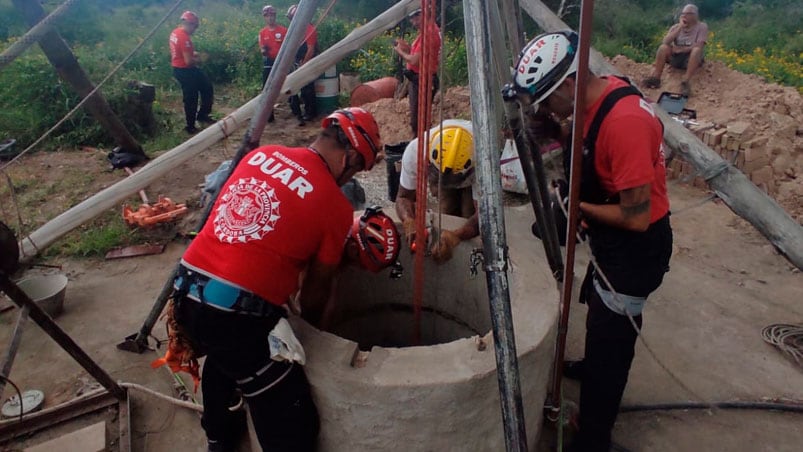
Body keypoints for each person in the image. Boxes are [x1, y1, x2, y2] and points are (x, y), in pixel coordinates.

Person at [168, 107, 382, 451]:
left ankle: (219, 437)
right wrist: (311, 336)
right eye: (358, 168)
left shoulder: (263, 154)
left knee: (224, 361)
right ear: (351, 157)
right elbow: (315, 291)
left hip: (186, 289)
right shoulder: (335, 206)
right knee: (291, 416)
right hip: (234, 317)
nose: (349, 179)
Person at [514, 31, 673, 452]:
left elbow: (636, 217)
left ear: (568, 83)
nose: (548, 109)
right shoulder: (601, 95)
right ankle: (593, 366)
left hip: (635, 251)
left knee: (611, 348)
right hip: (613, 235)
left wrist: (580, 209)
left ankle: (594, 436)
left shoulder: (624, 124)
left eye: (548, 100)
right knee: (599, 308)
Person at [395, 119, 478, 263]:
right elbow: (403, 197)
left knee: (468, 211)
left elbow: (484, 216)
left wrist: (458, 235)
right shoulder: (415, 150)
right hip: (452, 168)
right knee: (447, 209)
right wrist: (408, 220)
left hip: (472, 172)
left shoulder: (485, 161)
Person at [393, 8, 441, 138]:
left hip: (423, 80)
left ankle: (420, 147)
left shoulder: (429, 34)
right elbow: (421, 55)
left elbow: (414, 60)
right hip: (419, 79)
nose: (413, 21)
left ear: (425, 14)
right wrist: (407, 47)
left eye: (416, 16)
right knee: (418, 119)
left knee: (419, 121)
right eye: (412, 18)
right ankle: (419, 145)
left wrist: (400, 52)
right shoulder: (426, 32)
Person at [642, 4, 708, 96]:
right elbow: (665, 41)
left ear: (695, 15)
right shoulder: (676, 27)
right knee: (663, 48)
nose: (684, 16)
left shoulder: (702, 27)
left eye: (688, 13)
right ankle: (656, 78)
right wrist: (680, 27)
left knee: (696, 50)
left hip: (690, 59)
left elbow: (699, 46)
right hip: (675, 57)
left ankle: (685, 81)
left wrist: (682, 50)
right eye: (683, 13)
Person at [169, 10, 214, 134]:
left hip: (179, 68)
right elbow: (189, 61)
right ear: (189, 24)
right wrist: (199, 59)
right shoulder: (185, 39)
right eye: (195, 27)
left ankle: (202, 115)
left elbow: (180, 52)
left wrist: (193, 54)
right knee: (191, 98)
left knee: (207, 87)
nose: (195, 30)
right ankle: (190, 126)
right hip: (185, 70)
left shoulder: (175, 32)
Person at [286, 4, 318, 126]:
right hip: (298, 60)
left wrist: (303, 64)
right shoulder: (296, 30)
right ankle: (301, 110)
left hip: (307, 62)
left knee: (308, 88)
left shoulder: (309, 29)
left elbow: (310, 49)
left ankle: (311, 113)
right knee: (301, 88)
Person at [258, 5, 287, 88]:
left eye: (271, 15)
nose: (270, 18)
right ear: (264, 18)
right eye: (267, 16)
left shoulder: (284, 30)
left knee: (287, 82)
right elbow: (262, 49)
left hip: (283, 61)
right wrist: (264, 51)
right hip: (269, 61)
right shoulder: (262, 33)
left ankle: (293, 100)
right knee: (266, 84)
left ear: (275, 16)